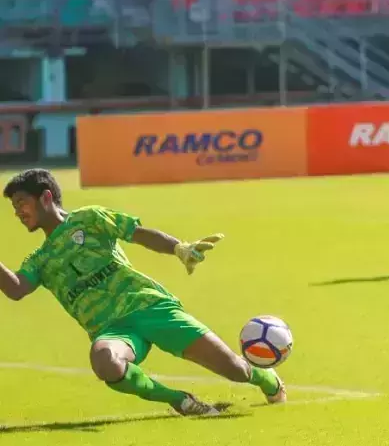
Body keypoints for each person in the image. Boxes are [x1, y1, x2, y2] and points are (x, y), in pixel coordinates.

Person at [0, 169, 285, 416]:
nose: (18, 213)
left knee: (235, 369)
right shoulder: (40, 260)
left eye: (21, 203)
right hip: (113, 331)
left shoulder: (89, 219)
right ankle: (180, 400)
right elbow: (15, 288)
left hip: (149, 306)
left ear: (46, 197)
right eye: (14, 207)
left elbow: (139, 234)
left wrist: (179, 248)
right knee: (104, 360)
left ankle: (266, 378)